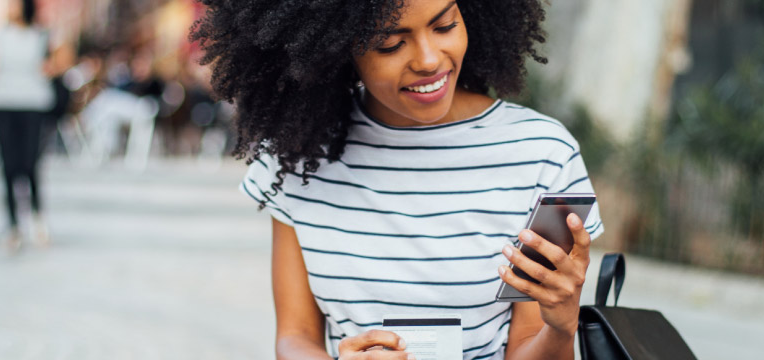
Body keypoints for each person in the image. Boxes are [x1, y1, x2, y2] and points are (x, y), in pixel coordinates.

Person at [193, 0, 604, 359]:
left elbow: (529, 344)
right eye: (390, 43)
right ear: (338, 48)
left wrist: (560, 326)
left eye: (444, 26)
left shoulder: (543, 155)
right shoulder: (298, 156)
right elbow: (295, 337)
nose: (428, 59)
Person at [0, 0, 72, 251]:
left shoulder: (42, 34)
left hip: (34, 104)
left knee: (30, 163)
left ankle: (37, 218)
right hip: (4, 103)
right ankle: (12, 225)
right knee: (7, 165)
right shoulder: (0, 36)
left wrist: (51, 66)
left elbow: (65, 59)